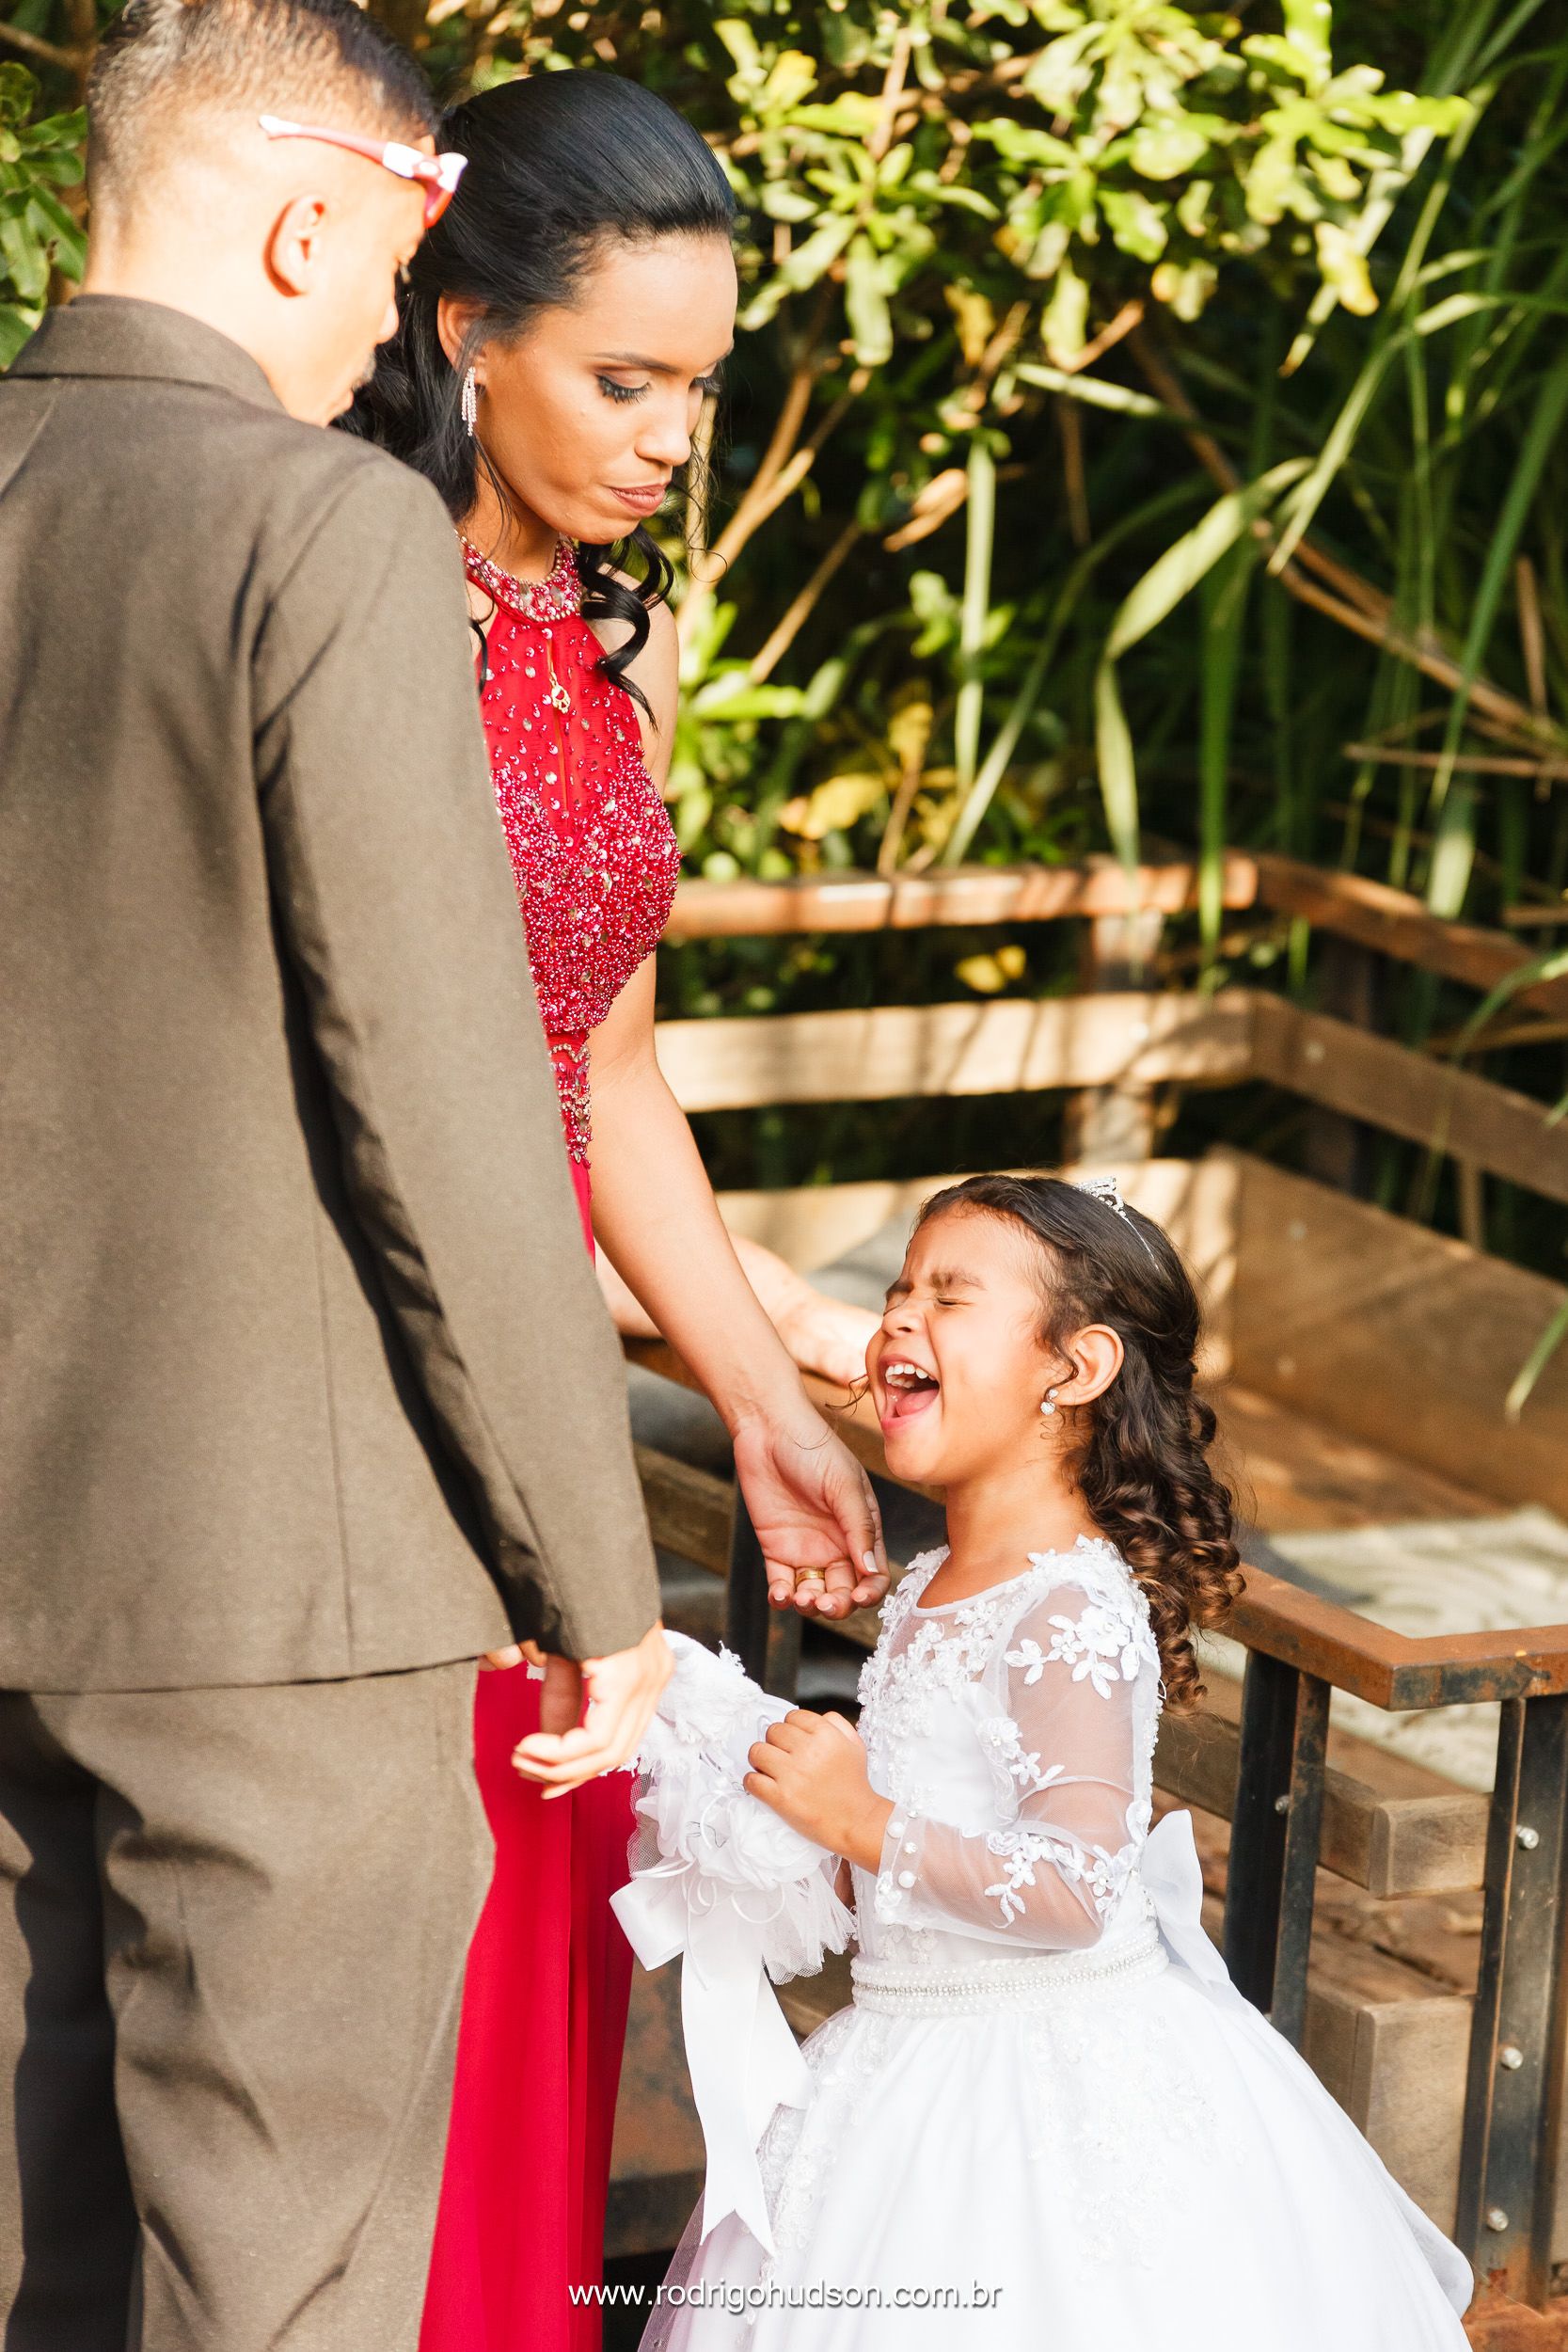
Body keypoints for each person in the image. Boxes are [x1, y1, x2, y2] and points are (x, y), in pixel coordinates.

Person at [0, 6, 675, 2345]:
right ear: (309, 224)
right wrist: (593, 1565)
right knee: (271, 2281)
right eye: (397, 272)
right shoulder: (320, 524)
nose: (390, 335)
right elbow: (433, 1080)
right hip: (278, 1594)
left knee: (35, 2269)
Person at [347, 72, 885, 2352]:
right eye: (625, 380)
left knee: (536, 1955)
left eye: (703, 389)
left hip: (560, 1413)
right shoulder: (336, 595)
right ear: (466, 331)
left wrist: (759, 1404)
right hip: (359, 1388)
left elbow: (615, 1074)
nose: (674, 440)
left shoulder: (612, 637)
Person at [616, 1175, 1477, 2348]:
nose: (899, 1315)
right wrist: (770, 1810)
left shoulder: (1065, 1606)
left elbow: (1071, 1889)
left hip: (1035, 2076)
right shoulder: (930, 1582)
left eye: (950, 1296)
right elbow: (917, 1859)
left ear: (1073, 1368)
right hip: (903, 2047)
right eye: (898, 1289)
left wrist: (857, 1818)